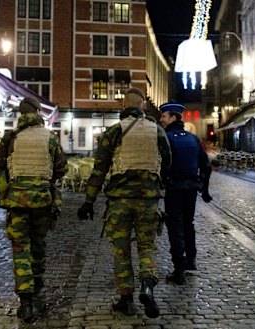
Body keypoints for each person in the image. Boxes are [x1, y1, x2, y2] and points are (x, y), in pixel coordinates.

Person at [77, 87, 171, 318]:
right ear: (143, 106)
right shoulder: (157, 131)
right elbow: (168, 162)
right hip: (148, 201)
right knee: (147, 246)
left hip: (119, 202)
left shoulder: (114, 132)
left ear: (123, 106)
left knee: (121, 250)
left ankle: (126, 299)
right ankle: (147, 286)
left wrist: (88, 201)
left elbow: (99, 170)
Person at [0, 96, 66, 322]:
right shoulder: (50, 139)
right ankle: (38, 282)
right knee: (39, 242)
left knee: (20, 247)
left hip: (16, 201)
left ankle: (25, 301)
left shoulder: (11, 137)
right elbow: (61, 169)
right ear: (37, 112)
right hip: (42, 200)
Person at [158, 102, 212, 285]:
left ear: (173, 117)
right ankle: (191, 260)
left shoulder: (165, 138)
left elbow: (161, 165)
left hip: (174, 190)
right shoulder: (193, 139)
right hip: (191, 190)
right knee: (189, 224)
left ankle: (179, 271)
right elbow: (206, 166)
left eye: (164, 116)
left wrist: (161, 184)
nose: (161, 119)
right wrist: (205, 190)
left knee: (175, 228)